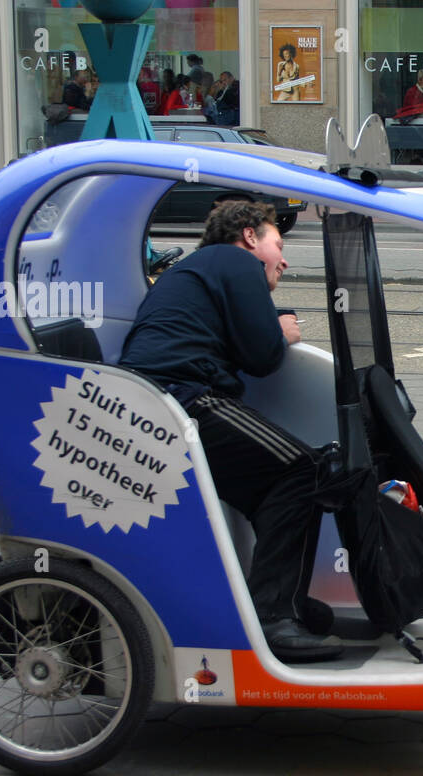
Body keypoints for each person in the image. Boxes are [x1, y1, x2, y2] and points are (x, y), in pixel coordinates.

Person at [119, 201, 342, 663]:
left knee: (274, 486)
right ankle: (274, 620)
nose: (283, 259)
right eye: (277, 244)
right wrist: (281, 331)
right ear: (247, 237)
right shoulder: (235, 261)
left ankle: (282, 602)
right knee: (303, 470)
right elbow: (261, 355)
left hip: (159, 396)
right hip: (177, 396)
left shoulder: (207, 269)